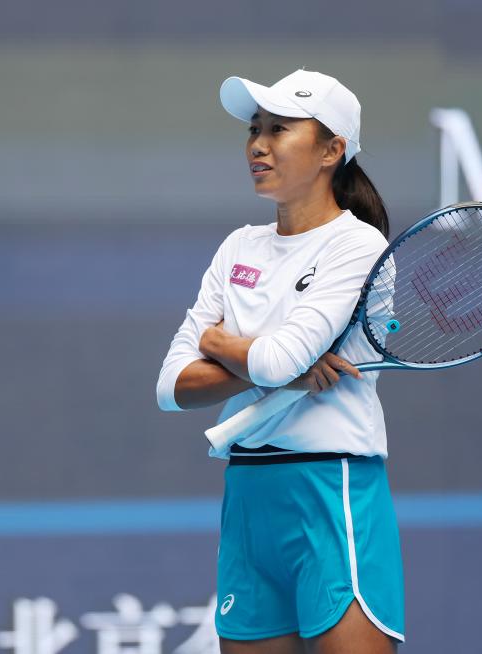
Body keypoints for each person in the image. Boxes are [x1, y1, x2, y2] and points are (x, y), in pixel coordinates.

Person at [156, 70, 404, 654]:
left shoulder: (358, 245)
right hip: (248, 495)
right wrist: (280, 365)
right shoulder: (237, 247)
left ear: (331, 150)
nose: (258, 145)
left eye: (279, 129)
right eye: (254, 130)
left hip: (333, 489)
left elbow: (275, 360)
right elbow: (171, 385)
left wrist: (218, 342)